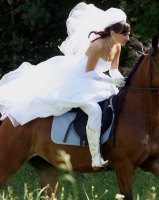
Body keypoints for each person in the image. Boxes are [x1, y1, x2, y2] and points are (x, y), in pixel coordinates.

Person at [0, 2, 130, 170]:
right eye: (124, 35)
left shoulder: (117, 47)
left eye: (128, 34)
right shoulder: (97, 45)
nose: (127, 38)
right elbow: (89, 73)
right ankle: (96, 157)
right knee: (95, 111)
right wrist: (111, 81)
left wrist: (119, 79)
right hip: (78, 80)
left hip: (96, 82)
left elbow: (113, 70)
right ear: (113, 33)